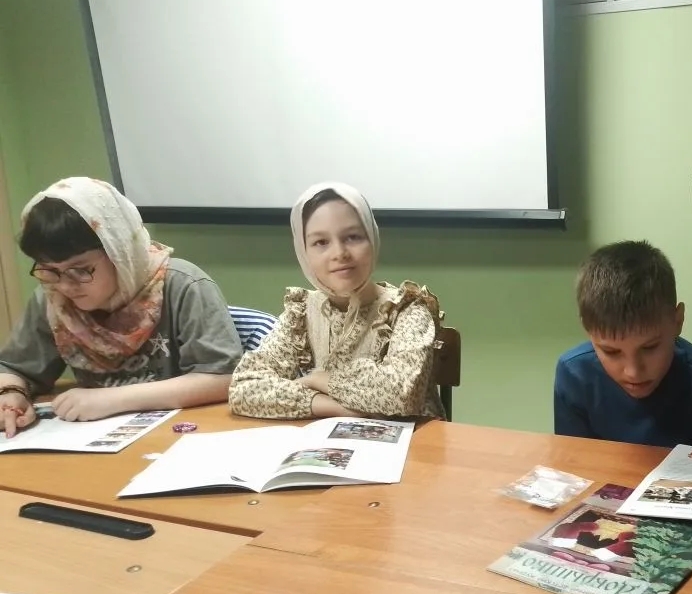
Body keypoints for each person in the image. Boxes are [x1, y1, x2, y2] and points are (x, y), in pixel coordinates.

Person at [0, 177, 242, 436]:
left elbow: (222, 378)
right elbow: (14, 368)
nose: (66, 286)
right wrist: (11, 394)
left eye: (80, 269)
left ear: (120, 252)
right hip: (95, 437)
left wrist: (112, 399)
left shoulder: (183, 285)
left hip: (183, 435)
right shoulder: (53, 299)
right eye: (49, 270)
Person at [229, 182, 444, 420]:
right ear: (303, 252)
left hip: (413, 440)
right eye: (321, 242)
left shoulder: (406, 309)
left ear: (372, 238)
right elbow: (243, 388)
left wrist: (322, 379)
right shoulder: (301, 314)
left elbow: (402, 394)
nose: (340, 253)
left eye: (353, 237)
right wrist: (335, 407)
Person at [553, 241, 692, 449]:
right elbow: (574, 460)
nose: (633, 372)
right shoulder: (574, 374)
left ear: (677, 321)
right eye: (611, 352)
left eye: (649, 348)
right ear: (588, 329)